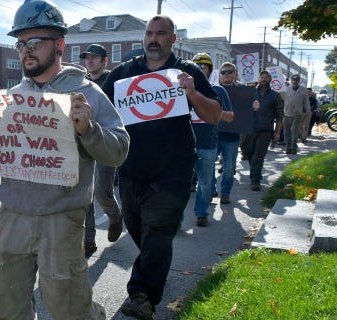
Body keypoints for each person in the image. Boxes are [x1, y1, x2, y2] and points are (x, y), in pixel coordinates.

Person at [0, 1, 129, 318]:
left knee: (69, 308)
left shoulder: (87, 93)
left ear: (60, 45)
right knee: (6, 307)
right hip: (12, 215)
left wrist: (88, 130)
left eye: (35, 42)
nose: (26, 50)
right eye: (21, 43)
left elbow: (119, 150)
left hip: (62, 218)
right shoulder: (11, 97)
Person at [101, 15, 221, 319]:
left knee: (158, 231)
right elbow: (99, 106)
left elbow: (215, 115)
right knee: (140, 230)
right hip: (131, 169)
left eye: (161, 33)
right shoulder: (124, 73)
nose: (153, 39)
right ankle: (152, 269)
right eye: (149, 33)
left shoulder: (188, 72)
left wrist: (192, 93)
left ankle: (142, 295)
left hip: (173, 171)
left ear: (173, 39)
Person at [80, 43, 122, 256]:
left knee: (102, 192)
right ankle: (89, 240)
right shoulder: (81, 83)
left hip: (106, 141)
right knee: (85, 192)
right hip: (84, 142)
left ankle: (115, 216)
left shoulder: (113, 81)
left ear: (105, 60)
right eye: (87, 57)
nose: (90, 60)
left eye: (95, 57)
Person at [191, 53, 232, 226]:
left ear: (209, 70)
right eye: (196, 67)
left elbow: (230, 117)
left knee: (206, 182)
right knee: (179, 185)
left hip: (207, 144)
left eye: (204, 67)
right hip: (182, 145)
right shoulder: (179, 90)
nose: (200, 70)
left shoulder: (218, 90)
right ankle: (176, 220)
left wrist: (212, 111)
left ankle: (201, 213)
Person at [215, 62, 256, 204]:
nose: (226, 74)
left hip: (232, 137)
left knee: (229, 168)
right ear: (219, 75)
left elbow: (252, 104)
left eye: (230, 71)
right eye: (224, 72)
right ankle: (211, 189)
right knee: (207, 166)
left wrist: (255, 104)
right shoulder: (213, 89)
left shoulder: (244, 91)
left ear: (235, 74)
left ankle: (225, 193)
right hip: (213, 134)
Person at [244, 70, 284, 191]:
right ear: (258, 79)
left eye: (266, 77)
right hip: (249, 129)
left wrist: (277, 132)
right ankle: (255, 173)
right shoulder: (250, 93)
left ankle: (255, 180)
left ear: (270, 79)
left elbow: (280, 117)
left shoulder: (276, 96)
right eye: (262, 77)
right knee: (248, 153)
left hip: (265, 131)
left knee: (258, 155)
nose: (264, 79)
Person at [282, 74, 309, 154]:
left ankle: (293, 147)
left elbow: (306, 101)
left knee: (294, 131)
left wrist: (308, 110)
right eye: (293, 80)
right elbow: (278, 95)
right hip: (286, 113)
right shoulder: (286, 89)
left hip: (297, 114)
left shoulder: (303, 90)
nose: (295, 81)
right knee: (286, 132)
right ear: (291, 80)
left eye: (296, 80)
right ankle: (288, 147)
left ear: (298, 81)